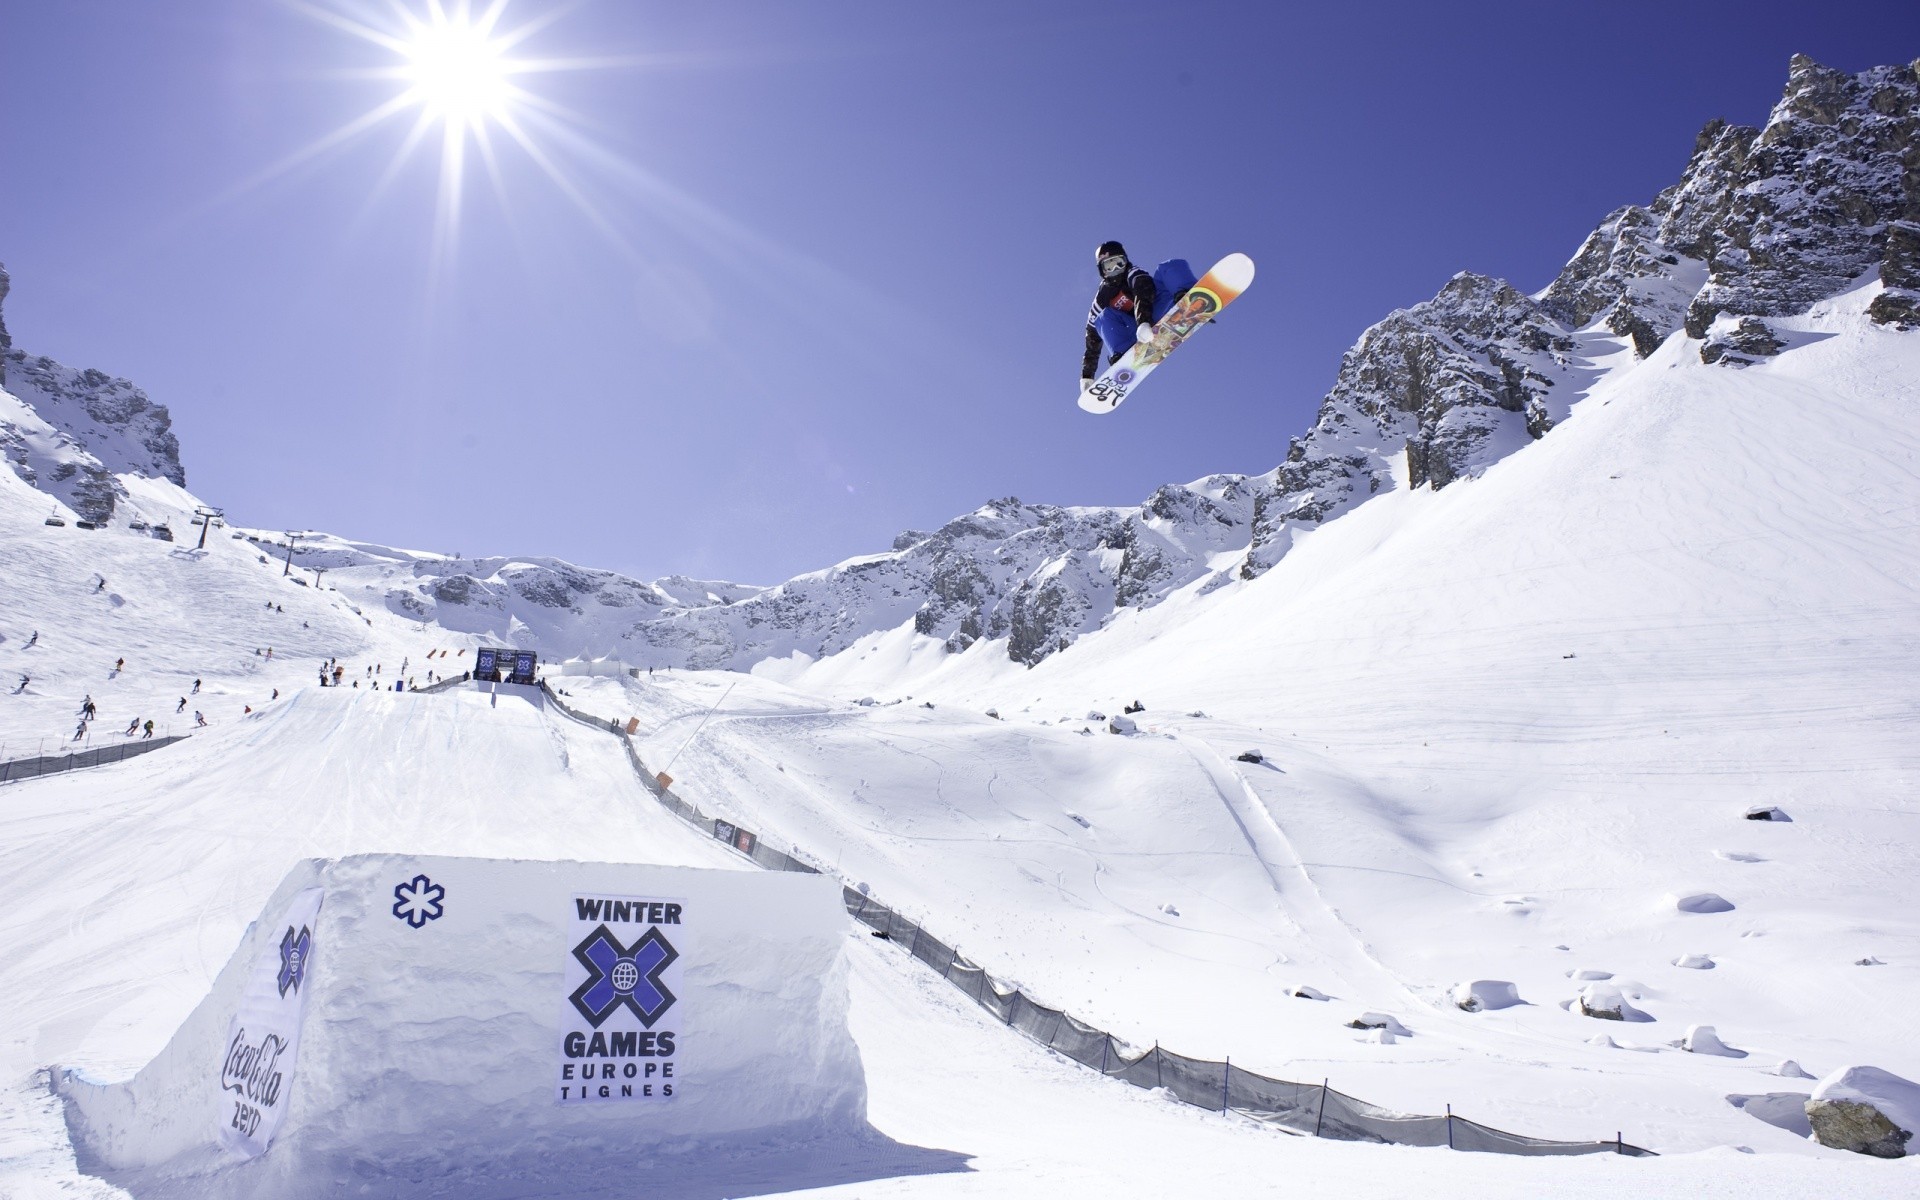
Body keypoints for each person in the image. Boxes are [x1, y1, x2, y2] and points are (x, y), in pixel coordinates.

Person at [1078, 241, 1200, 396]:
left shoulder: (1133, 273)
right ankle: (1125, 352)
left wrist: (1144, 322)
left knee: (1168, 266)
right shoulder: (1102, 298)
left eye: (1119, 263)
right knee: (1102, 318)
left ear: (1126, 261)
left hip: (1159, 308)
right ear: (1102, 271)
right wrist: (1087, 375)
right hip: (1137, 334)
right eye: (1109, 266)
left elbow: (1143, 291)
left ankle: (1190, 296)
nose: (1115, 269)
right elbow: (1092, 338)